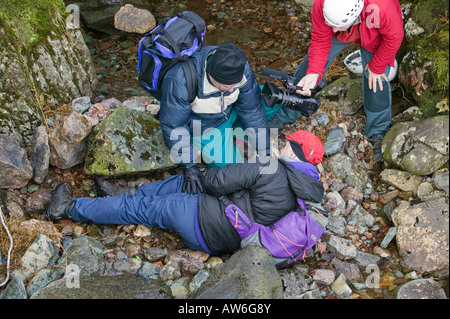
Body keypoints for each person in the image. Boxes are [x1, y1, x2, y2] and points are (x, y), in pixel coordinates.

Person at [45, 130, 325, 257]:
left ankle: (68, 209)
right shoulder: (309, 195)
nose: (283, 145)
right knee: (185, 182)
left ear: (293, 151)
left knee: (148, 206)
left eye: (289, 144)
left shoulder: (271, 166)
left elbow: (216, 181)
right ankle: (123, 194)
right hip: (225, 241)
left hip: (204, 223)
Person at [270, 0, 404, 162]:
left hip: (374, 31)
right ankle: (285, 115)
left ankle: (378, 131)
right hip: (346, 27)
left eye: (335, 26)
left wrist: (377, 66)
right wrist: (313, 72)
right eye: (330, 24)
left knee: (376, 80)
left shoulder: (382, 6)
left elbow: (394, 37)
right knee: (307, 71)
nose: (332, 30)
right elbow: (320, 40)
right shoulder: (323, 5)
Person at [159, 42, 276, 195]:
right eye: (226, 86)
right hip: (207, 126)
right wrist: (189, 167)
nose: (232, 89)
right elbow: (174, 126)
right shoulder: (180, 80)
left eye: (235, 84)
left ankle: (239, 130)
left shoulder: (239, 66)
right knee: (233, 170)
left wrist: (264, 150)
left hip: (231, 109)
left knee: (274, 100)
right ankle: (235, 133)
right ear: (211, 75)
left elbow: (251, 109)